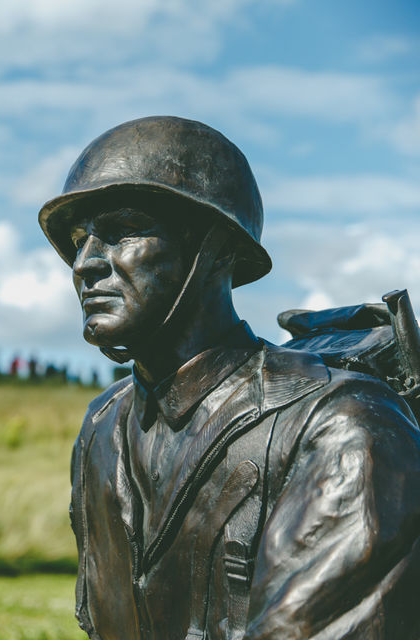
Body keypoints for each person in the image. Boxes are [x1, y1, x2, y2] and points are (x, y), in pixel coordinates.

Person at [38, 116, 420, 639]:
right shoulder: (102, 427)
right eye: (80, 240)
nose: (83, 263)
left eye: (122, 230)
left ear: (217, 248)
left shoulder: (344, 425)